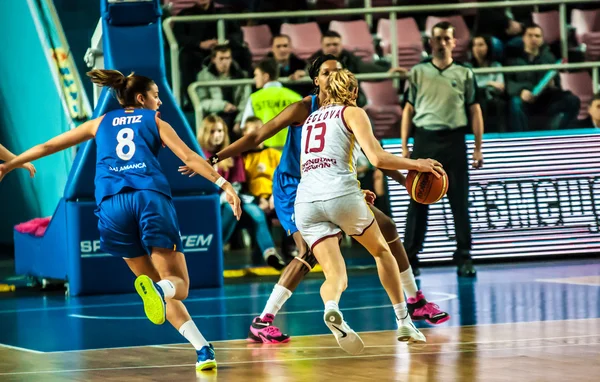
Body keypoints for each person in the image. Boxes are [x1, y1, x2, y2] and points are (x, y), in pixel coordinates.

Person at [184, 55, 450, 345]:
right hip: (293, 186)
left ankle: (412, 299)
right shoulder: (307, 108)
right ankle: (264, 319)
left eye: (337, 71)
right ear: (316, 79)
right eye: (326, 72)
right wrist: (216, 156)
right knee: (309, 254)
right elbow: (258, 135)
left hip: (316, 188)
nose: (332, 75)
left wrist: (406, 182)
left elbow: (359, 159)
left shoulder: (319, 118)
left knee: (385, 227)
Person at [0, 69, 242, 371]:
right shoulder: (153, 120)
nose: (160, 102)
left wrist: (12, 164)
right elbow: (191, 157)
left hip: (111, 206)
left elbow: (48, 146)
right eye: (156, 95)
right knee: (178, 285)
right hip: (147, 197)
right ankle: (164, 296)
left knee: (158, 285)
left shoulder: (99, 122)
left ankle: (203, 349)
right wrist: (226, 186)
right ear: (141, 98)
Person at [294, 68, 442, 353]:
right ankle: (403, 321)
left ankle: (331, 307)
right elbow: (376, 157)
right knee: (382, 251)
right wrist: (417, 164)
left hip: (307, 202)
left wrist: (351, 193)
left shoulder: (310, 119)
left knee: (335, 277)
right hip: (339, 194)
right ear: (351, 91)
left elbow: (315, 168)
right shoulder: (353, 112)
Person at [402, 21, 484, 278]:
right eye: (438, 38)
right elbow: (408, 109)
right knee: (418, 200)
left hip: (454, 141)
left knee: (459, 202)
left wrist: (478, 148)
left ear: (454, 42)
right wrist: (405, 146)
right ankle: (410, 258)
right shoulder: (417, 72)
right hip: (425, 141)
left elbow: (475, 109)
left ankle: (464, 257)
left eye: (447, 38)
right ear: (430, 42)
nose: (442, 43)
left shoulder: (465, 73)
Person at [197, 115, 284, 269]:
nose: (217, 135)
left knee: (257, 213)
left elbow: (238, 185)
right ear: (204, 133)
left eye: (220, 131)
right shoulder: (198, 156)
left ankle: (270, 254)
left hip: (235, 201)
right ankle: (215, 251)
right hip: (211, 204)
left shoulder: (232, 155)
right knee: (234, 208)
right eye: (212, 132)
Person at [505, 24, 581, 132]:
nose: (534, 39)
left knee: (573, 100)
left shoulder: (549, 58)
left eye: (537, 36)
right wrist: (521, 91)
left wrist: (553, 85)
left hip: (546, 99)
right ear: (523, 38)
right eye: (530, 35)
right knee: (515, 103)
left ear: (541, 40)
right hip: (525, 100)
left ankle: (558, 134)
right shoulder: (513, 60)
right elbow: (509, 83)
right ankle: (523, 139)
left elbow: (557, 84)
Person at [240, 58, 302, 149]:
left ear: (265, 76)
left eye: (256, 75)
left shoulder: (254, 98)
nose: (254, 79)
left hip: (265, 151)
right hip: (291, 148)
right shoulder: (295, 97)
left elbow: (245, 127)